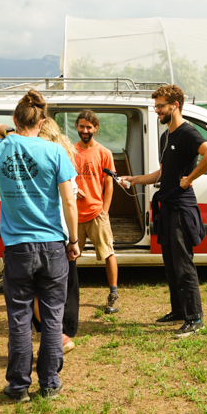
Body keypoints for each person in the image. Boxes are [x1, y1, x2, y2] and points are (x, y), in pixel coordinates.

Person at [0, 91, 80, 402]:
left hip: (17, 247)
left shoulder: (0, 150)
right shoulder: (55, 152)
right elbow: (69, 200)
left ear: (16, 120)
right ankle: (50, 382)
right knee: (52, 318)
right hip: (53, 244)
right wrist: (74, 240)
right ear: (43, 122)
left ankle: (17, 386)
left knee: (19, 319)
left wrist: (13, 131)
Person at [119, 85, 207, 338]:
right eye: (156, 106)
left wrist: (189, 178)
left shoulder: (187, 132)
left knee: (183, 264)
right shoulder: (166, 136)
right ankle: (178, 311)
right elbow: (161, 174)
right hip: (167, 205)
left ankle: (194, 318)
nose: (156, 110)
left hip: (181, 205)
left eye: (160, 106)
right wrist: (133, 179)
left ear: (174, 106)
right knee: (171, 264)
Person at [33, 118, 80, 355]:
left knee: (38, 291)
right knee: (64, 288)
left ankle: (54, 336)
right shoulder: (65, 156)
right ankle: (62, 331)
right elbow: (72, 199)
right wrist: (74, 239)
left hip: (44, 231)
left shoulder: (39, 156)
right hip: (62, 232)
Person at [73, 110, 121, 314]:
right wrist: (74, 190)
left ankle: (114, 294)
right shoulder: (69, 151)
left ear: (96, 128)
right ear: (77, 127)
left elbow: (109, 185)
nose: (85, 130)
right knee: (70, 255)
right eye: (82, 126)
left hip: (96, 212)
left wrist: (105, 211)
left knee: (108, 253)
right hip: (73, 214)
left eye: (89, 127)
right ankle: (67, 295)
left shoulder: (104, 153)